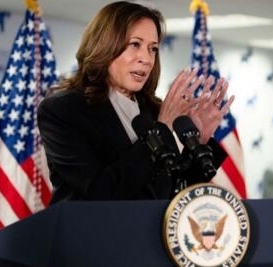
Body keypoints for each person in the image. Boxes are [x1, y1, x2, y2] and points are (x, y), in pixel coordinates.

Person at [37, 1, 234, 203]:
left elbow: (175, 193)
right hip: (92, 233)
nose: (147, 59)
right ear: (105, 45)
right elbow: (99, 191)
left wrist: (198, 140)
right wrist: (162, 129)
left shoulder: (154, 111)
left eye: (153, 49)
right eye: (135, 44)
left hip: (152, 234)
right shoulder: (63, 110)